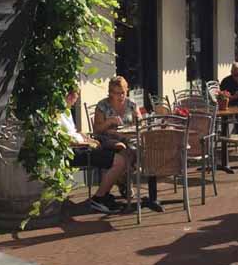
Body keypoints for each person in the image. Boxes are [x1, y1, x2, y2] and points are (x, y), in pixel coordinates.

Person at [93, 76, 162, 212]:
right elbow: (96, 130)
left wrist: (137, 122)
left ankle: (124, 181)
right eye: (117, 93)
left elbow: (140, 124)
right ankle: (123, 182)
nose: (121, 96)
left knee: (144, 153)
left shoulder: (131, 104)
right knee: (126, 151)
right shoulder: (102, 106)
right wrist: (109, 122)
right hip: (108, 141)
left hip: (128, 140)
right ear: (110, 93)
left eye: (123, 92)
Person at [60, 89, 130, 214]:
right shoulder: (57, 114)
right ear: (68, 96)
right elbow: (65, 139)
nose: (75, 101)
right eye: (75, 97)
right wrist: (88, 143)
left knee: (121, 149)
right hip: (77, 150)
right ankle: (99, 199)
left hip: (84, 144)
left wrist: (88, 138)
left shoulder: (66, 111)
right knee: (120, 161)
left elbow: (74, 132)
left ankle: (106, 192)